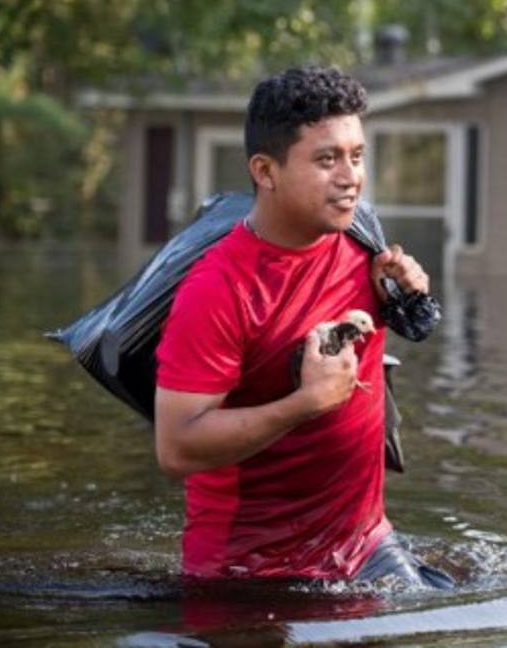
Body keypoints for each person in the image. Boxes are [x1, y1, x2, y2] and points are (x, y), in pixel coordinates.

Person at [154, 66, 449, 586]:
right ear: (266, 172)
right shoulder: (219, 289)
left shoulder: (363, 241)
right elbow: (176, 449)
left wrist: (408, 298)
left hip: (367, 545)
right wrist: (304, 404)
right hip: (250, 572)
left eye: (357, 156)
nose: (350, 176)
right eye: (326, 159)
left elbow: (401, 331)